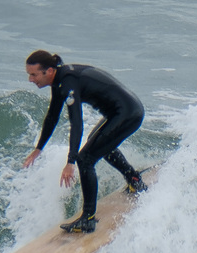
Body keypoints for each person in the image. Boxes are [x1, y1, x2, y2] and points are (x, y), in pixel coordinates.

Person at [21, 49, 147, 233]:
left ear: (49, 71)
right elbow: (52, 117)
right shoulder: (60, 80)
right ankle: (134, 179)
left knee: (85, 159)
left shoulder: (67, 82)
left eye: (33, 74)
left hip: (128, 114)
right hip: (124, 111)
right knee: (98, 145)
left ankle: (87, 219)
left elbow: (77, 123)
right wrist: (38, 149)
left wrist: (71, 161)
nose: (30, 79)